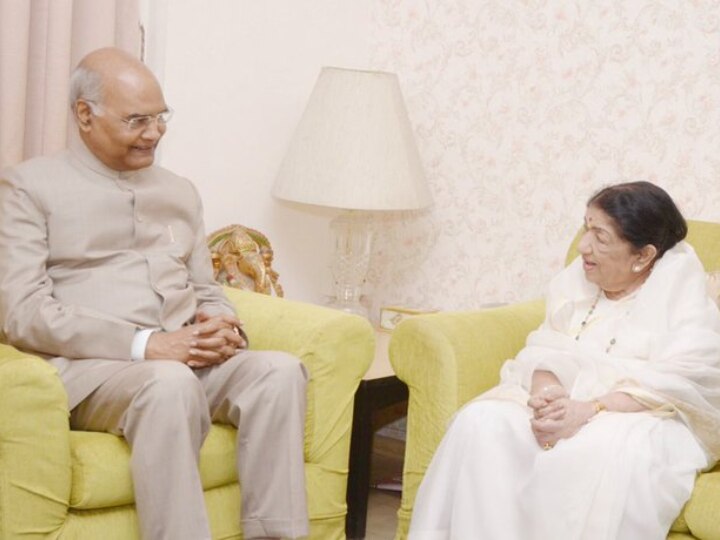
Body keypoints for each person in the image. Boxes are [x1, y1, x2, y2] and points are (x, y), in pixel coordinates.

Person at [0, 47, 308, 540]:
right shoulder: (29, 188)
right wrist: (146, 344)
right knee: (167, 382)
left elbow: (205, 289)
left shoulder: (179, 191)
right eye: (137, 120)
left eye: (161, 118)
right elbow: (23, 312)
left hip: (185, 358)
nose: (154, 133)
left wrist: (220, 324)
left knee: (278, 373)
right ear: (85, 115)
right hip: (96, 372)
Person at [409, 181, 720, 539]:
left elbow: (684, 382)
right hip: (568, 399)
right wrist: (549, 392)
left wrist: (590, 410)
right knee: (481, 422)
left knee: (592, 450)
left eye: (600, 237)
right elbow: (545, 346)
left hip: (639, 414)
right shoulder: (576, 281)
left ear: (643, 256)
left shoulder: (684, 297)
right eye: (587, 228)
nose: (583, 246)